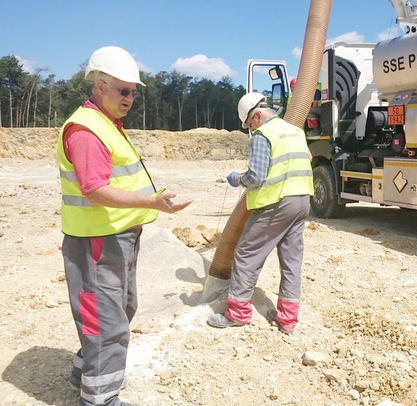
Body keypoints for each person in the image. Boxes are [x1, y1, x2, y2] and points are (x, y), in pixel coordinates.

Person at [56, 46, 192, 406]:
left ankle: (87, 368)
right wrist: (152, 203)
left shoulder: (107, 124)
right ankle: (99, 399)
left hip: (116, 237)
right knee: (106, 321)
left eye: (134, 91)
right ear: (100, 86)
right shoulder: (87, 130)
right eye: (123, 90)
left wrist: (154, 198)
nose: (131, 98)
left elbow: (119, 180)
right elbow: (95, 190)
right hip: (96, 241)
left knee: (119, 309)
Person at [207, 92, 313, 334]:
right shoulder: (294, 131)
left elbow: (255, 177)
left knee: (246, 253)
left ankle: (238, 313)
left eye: (249, 124)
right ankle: (287, 319)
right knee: (292, 261)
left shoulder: (263, 134)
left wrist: (236, 179)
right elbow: (307, 157)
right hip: (302, 201)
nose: (250, 130)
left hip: (276, 203)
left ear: (256, 115)